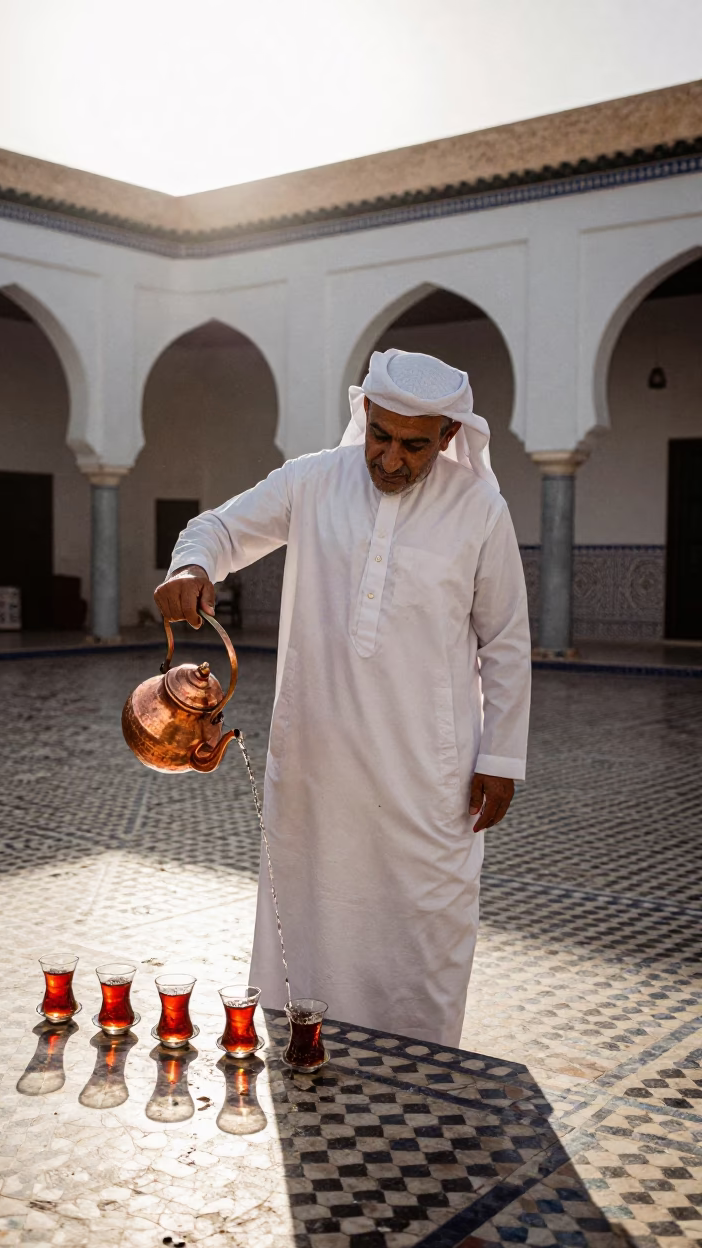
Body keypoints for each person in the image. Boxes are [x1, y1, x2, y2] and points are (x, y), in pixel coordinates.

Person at [155, 349, 531, 1045]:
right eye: (381, 436)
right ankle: (307, 1058)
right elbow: (220, 529)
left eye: (413, 446)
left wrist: (501, 756)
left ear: (448, 437)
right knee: (309, 919)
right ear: (365, 413)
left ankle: (420, 1076)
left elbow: (504, 640)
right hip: (315, 770)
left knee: (422, 932)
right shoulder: (313, 481)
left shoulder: (480, 510)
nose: (390, 459)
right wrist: (191, 564)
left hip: (427, 776)